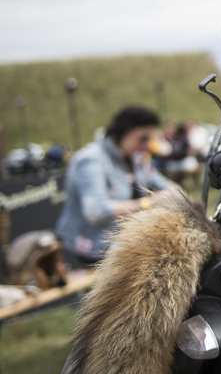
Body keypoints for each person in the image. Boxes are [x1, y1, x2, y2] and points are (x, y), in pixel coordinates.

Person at [56, 105, 170, 267]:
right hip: (87, 251)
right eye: (143, 138)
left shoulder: (136, 157)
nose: (146, 144)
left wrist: (175, 193)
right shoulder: (91, 160)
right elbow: (97, 211)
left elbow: (163, 184)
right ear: (125, 131)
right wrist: (148, 203)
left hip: (120, 247)